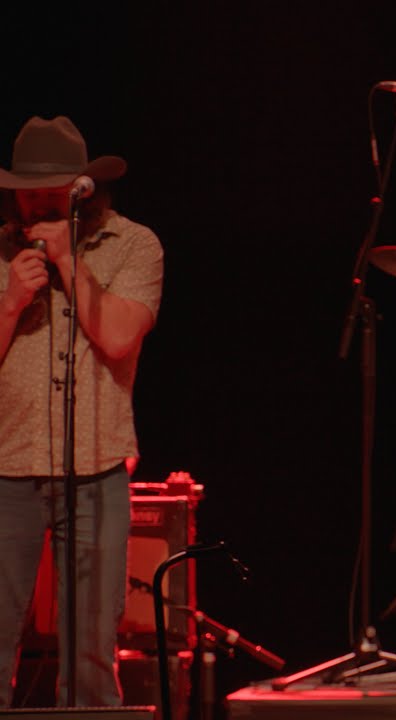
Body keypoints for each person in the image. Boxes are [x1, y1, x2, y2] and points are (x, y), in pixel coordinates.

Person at [0, 116, 163, 707]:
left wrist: (69, 263)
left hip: (96, 473)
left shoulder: (134, 245)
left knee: (92, 654)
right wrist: (11, 303)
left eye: (52, 191)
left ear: (81, 188)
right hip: (4, 472)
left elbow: (118, 338)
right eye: (28, 192)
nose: (39, 203)